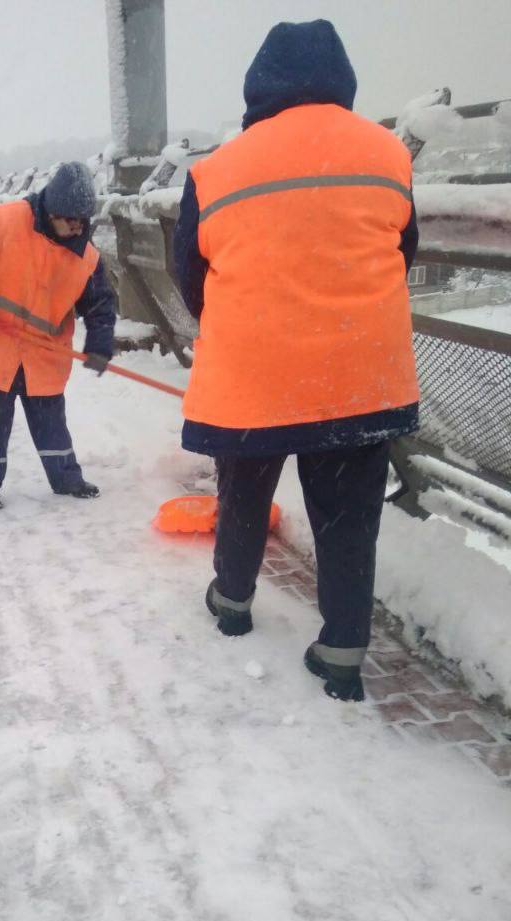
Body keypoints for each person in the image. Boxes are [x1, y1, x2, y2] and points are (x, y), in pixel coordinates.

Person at [172, 20, 420, 701]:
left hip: (254, 374)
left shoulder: (216, 170)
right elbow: (403, 252)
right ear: (341, 80)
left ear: (259, 85)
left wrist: (246, 321)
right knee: (348, 518)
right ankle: (342, 650)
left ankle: (232, 601)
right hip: (360, 373)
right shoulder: (388, 153)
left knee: (245, 494)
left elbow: (190, 275)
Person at [0, 162, 116, 509]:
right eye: (70, 219)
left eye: (83, 220)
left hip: (45, 353)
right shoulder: (4, 221)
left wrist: (100, 344)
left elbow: (101, 304)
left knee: (51, 422)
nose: (77, 227)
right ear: (51, 211)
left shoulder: (87, 257)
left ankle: (67, 480)